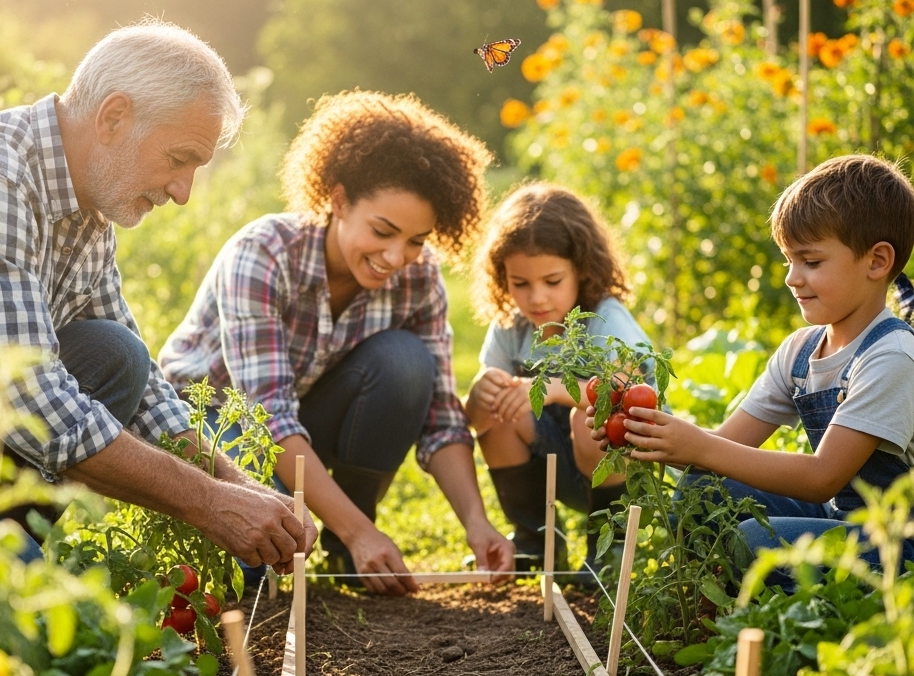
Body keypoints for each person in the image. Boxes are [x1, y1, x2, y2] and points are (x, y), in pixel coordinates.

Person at [0, 20, 314, 571]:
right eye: (179, 159)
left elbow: (142, 394)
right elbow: (35, 398)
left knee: (115, 354)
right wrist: (209, 503)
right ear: (113, 118)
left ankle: (7, 563)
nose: (183, 193)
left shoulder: (87, 207)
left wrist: (238, 484)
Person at [158, 90, 515, 594]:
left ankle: (350, 545)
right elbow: (269, 415)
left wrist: (476, 524)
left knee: (406, 364)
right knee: (259, 559)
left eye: (416, 241)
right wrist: (361, 530)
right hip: (215, 422)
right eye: (383, 231)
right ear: (340, 200)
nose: (396, 257)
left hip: (301, 417)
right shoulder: (262, 254)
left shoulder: (419, 279)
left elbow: (438, 413)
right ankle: (353, 533)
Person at [605, 154, 914, 570]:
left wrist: (698, 444)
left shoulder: (892, 355)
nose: (791, 277)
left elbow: (823, 477)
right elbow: (725, 448)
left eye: (811, 261)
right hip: (841, 522)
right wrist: (646, 433)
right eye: (789, 260)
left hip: (897, 545)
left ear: (877, 261)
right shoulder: (800, 352)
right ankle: (720, 602)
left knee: (752, 542)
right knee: (704, 490)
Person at [464, 182, 651, 577]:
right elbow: (475, 418)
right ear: (502, 278)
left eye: (552, 282)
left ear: (582, 270)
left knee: (591, 416)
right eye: (520, 284)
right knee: (500, 407)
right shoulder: (512, 326)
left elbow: (624, 392)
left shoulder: (604, 318)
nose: (536, 299)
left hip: (619, 471)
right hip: (548, 467)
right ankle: (536, 539)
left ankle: (610, 546)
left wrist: (554, 389)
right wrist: (482, 392)